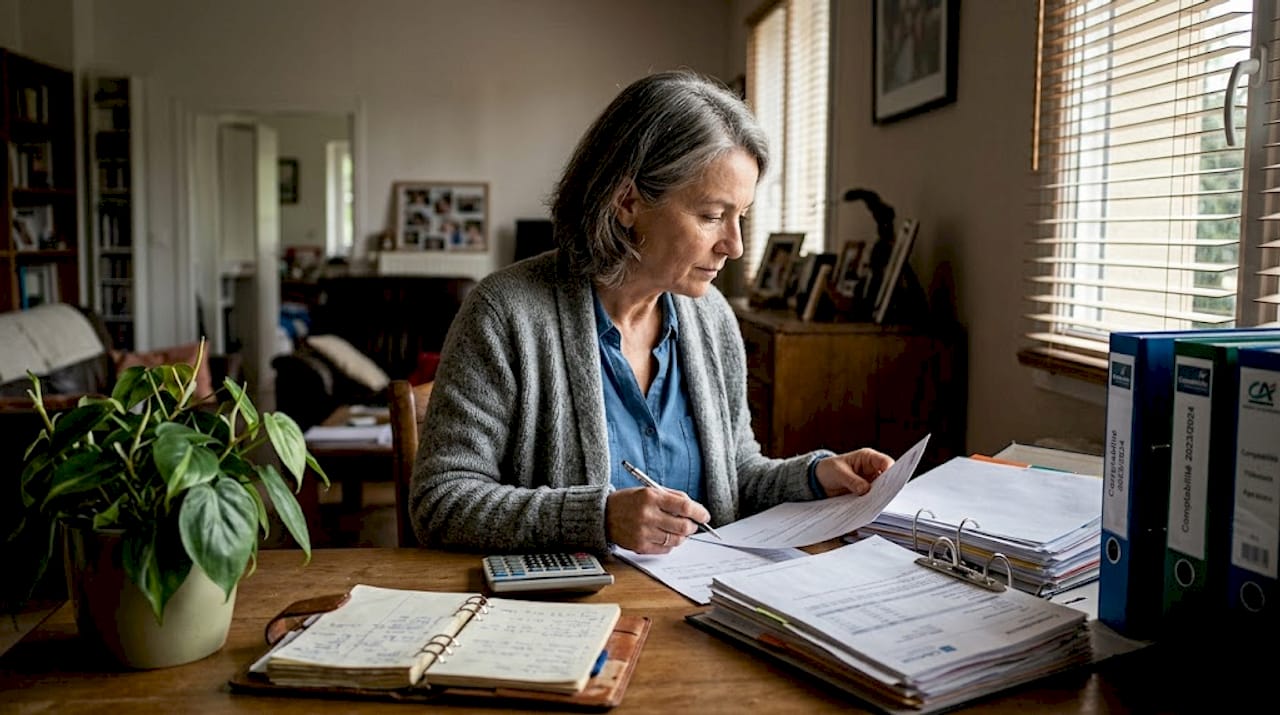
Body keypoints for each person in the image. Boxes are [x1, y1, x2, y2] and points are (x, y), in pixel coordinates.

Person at [409, 70, 893, 555]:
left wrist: (813, 476)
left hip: (701, 607)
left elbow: (736, 476)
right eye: (711, 216)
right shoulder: (504, 314)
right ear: (626, 202)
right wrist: (598, 516)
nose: (735, 246)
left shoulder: (713, 319)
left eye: (739, 217)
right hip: (570, 616)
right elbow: (440, 503)